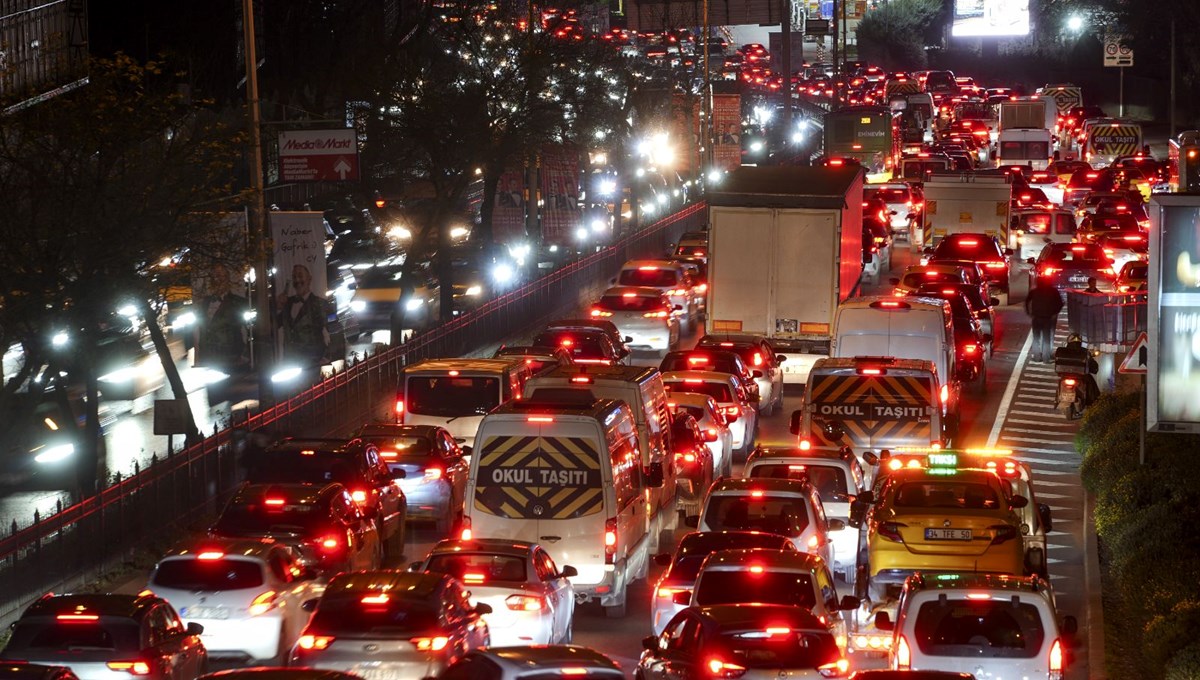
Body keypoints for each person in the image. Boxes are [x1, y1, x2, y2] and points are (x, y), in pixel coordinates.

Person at [277, 263, 330, 365]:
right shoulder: (287, 303)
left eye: (300, 276)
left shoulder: (320, 303)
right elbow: (272, 327)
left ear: (309, 279)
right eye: (294, 277)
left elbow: (334, 328)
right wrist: (278, 308)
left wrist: (327, 357)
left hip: (313, 363)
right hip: (290, 363)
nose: (297, 280)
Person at [1054, 333, 1100, 403]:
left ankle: (1056, 400)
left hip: (1065, 376)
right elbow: (1094, 367)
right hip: (1080, 377)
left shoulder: (1062, 351)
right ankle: (1094, 403)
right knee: (1092, 387)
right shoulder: (1085, 352)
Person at [1025, 279, 1064, 362]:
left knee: (1036, 338)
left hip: (1036, 317)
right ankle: (1046, 358)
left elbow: (1027, 301)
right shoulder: (1053, 291)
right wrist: (1055, 313)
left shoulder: (1034, 291)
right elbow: (1060, 303)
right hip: (1047, 317)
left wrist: (1029, 312)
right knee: (1046, 338)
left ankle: (1036, 357)